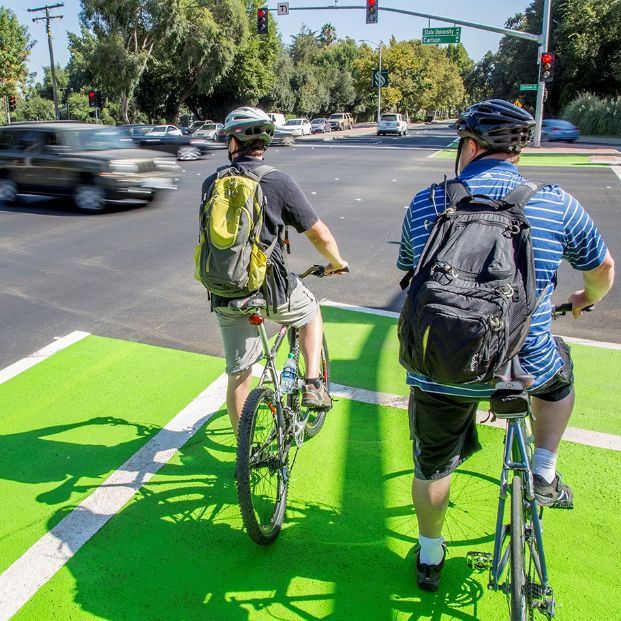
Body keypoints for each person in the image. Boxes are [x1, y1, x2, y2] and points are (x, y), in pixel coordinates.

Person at [397, 99, 615, 591]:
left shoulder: (428, 201)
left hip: (442, 368)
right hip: (522, 367)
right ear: (518, 151)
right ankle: (543, 470)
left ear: (469, 146)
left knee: (432, 463)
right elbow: (602, 271)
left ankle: (430, 557)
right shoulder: (555, 202)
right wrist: (583, 299)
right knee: (559, 374)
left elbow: (411, 273)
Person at [201, 106, 348, 436]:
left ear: (231, 142)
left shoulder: (212, 183)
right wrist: (337, 263)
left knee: (240, 373)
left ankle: (247, 451)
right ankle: (312, 383)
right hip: (271, 288)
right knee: (310, 313)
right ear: (264, 144)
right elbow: (319, 234)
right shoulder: (278, 181)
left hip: (224, 290)